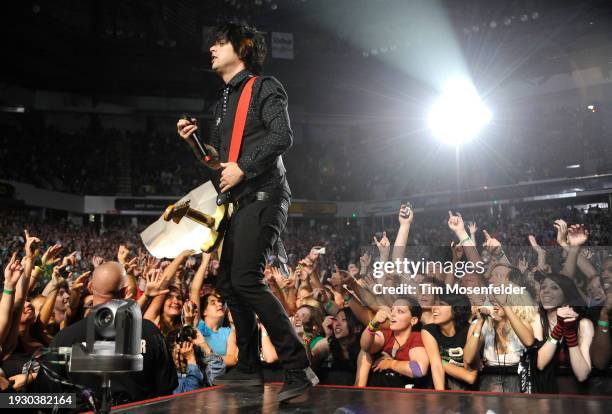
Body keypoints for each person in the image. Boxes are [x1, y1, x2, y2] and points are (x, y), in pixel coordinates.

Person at [176, 22, 316, 402]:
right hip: (239, 201)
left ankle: (298, 366)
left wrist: (245, 166)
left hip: (265, 194)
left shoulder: (265, 86)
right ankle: (250, 370)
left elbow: (282, 134)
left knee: (246, 279)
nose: (211, 48)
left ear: (243, 48)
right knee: (229, 285)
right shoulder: (221, 103)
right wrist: (195, 144)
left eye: (219, 42)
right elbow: (219, 163)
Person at [32, 261, 177, 407]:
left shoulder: (65, 338)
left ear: (90, 288)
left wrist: (82, 404)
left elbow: (44, 400)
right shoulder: (149, 331)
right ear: (125, 291)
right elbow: (165, 392)